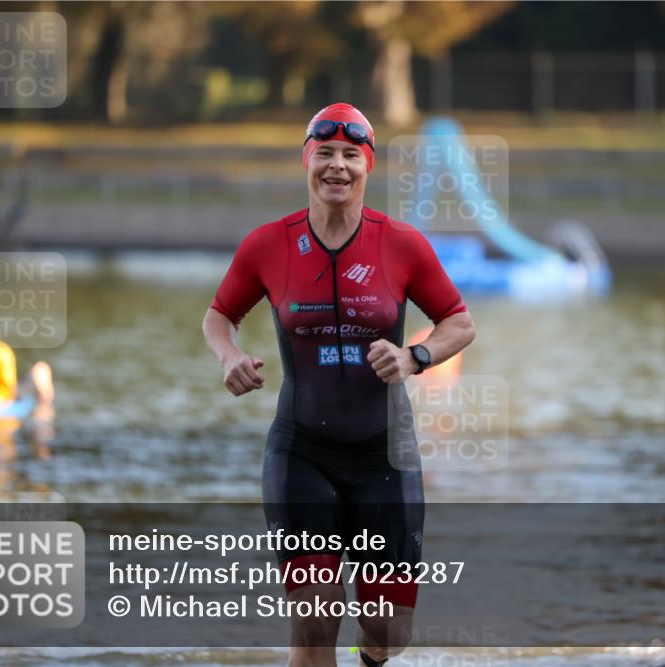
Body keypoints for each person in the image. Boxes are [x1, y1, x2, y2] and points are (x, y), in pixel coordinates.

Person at [203, 103, 475, 667]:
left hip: (385, 457)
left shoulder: (400, 243)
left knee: (387, 632)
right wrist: (228, 354)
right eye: (324, 154)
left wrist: (413, 356)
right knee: (312, 621)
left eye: (351, 155)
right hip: (301, 451)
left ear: (367, 166)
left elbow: (459, 322)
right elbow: (218, 315)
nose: (337, 167)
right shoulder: (268, 244)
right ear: (306, 161)